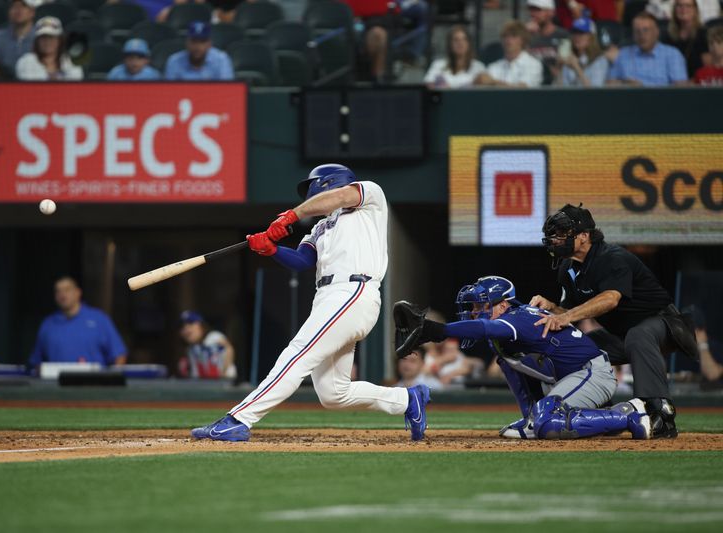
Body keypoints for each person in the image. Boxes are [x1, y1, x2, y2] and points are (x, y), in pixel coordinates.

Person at [191, 164, 430, 442]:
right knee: (333, 393)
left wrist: (290, 216)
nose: (309, 196)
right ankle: (407, 399)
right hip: (328, 298)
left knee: (297, 354)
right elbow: (303, 261)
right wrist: (271, 249)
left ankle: (238, 419)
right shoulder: (319, 227)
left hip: (353, 291)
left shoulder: (370, 196)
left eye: (313, 188)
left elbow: (340, 198)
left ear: (329, 183)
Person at [393, 277, 653, 440]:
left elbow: (485, 329)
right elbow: (509, 360)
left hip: (592, 373)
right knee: (508, 362)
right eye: (472, 307)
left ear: (504, 305)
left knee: (548, 422)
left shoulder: (519, 317)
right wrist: (530, 417)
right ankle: (536, 417)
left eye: (481, 306)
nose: (474, 313)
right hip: (568, 376)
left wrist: (433, 331)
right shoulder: (504, 332)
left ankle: (629, 415)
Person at [531, 203, 701, 438]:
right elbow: (570, 311)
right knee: (578, 348)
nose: (555, 239)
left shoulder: (611, 257)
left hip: (664, 323)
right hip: (622, 334)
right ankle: (600, 414)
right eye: (554, 235)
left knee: (638, 335)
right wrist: (553, 308)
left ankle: (660, 413)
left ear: (583, 236)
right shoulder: (568, 269)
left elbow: (611, 299)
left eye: (562, 234)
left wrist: (566, 315)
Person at [29, 276, 127, 369]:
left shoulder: (99, 319)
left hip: (93, 383)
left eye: (67, 289)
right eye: (58, 291)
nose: (62, 294)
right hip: (56, 384)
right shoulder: (48, 324)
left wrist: (111, 381)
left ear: (78, 292)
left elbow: (119, 355)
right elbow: (37, 362)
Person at [606, 11, 688, 86]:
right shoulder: (623, 55)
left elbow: (681, 88)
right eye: (637, 31)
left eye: (646, 30)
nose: (641, 35)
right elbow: (610, 84)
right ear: (633, 34)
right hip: (629, 99)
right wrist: (624, 84)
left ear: (656, 32)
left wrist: (642, 86)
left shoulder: (672, 55)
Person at [473, 20, 543, 87]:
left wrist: (493, 82)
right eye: (505, 36)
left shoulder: (533, 64)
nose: (508, 40)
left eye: (514, 36)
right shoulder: (494, 66)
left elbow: (522, 90)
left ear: (523, 39)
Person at [16, 16, 83, 81]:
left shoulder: (71, 62)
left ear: (59, 40)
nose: (47, 42)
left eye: (51, 37)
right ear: (37, 41)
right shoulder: (26, 62)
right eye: (43, 38)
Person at [163, 20, 234, 80]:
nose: (197, 46)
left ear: (209, 44)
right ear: (187, 43)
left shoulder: (221, 60)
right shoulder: (174, 61)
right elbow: (170, 91)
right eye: (194, 41)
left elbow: (228, 90)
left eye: (202, 42)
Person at [553, 16, 612, 86]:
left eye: (581, 33)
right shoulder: (569, 57)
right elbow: (559, 90)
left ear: (591, 37)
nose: (577, 37)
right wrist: (560, 68)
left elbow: (595, 91)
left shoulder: (599, 60)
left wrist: (577, 68)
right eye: (574, 32)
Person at [178, 310, 236, 379]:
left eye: (191, 323)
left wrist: (224, 372)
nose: (186, 328)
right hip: (206, 385)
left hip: (227, 382)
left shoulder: (213, 337)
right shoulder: (190, 350)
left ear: (201, 326)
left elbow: (229, 349)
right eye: (182, 326)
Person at [0, 0, 38, 75]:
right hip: (4, 83)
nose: (18, 10)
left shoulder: (40, 37)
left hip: (34, 83)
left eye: (23, 6)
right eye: (14, 6)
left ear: (32, 12)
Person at [664, 0, 709, 78]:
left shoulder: (703, 34)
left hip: (697, 84)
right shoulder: (667, 36)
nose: (683, 9)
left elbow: (708, 67)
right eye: (679, 5)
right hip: (672, 83)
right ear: (674, 10)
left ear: (695, 10)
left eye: (688, 6)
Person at [525, 0, 570, 75]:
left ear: (551, 12)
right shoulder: (526, 35)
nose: (532, 14)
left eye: (537, 10)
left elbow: (564, 66)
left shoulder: (563, 35)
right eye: (531, 9)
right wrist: (525, 35)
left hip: (554, 83)